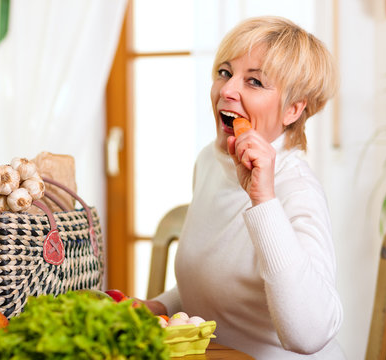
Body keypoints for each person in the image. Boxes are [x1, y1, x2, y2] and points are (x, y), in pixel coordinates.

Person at [144, 16, 345, 359]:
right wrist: (159, 305)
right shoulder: (210, 161)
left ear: (293, 109)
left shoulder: (298, 190)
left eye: (253, 81)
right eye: (225, 72)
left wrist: (263, 199)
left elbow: (310, 335)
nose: (227, 90)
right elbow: (220, 281)